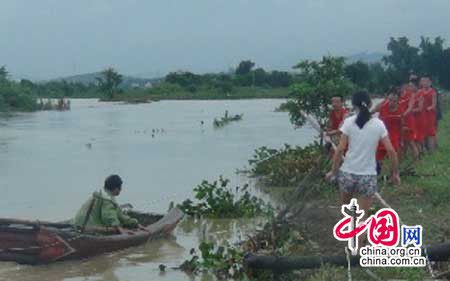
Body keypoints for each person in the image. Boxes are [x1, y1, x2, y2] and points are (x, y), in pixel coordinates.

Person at [326, 91, 400, 223]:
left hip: (347, 173)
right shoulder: (378, 124)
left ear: (353, 106)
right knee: (362, 219)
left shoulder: (348, 122)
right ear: (370, 104)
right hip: (367, 176)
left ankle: (349, 239)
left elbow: (340, 149)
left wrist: (333, 171)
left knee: (347, 214)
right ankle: (358, 243)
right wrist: (394, 173)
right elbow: (391, 151)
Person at [73, 175, 140, 233]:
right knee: (113, 228)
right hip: (87, 227)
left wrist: (134, 222)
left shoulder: (101, 193)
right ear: (116, 188)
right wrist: (119, 228)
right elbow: (108, 216)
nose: (121, 189)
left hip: (77, 223)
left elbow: (119, 214)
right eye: (120, 187)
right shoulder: (108, 199)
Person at [375, 87, 406, 170]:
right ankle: (378, 173)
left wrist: (402, 140)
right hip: (382, 136)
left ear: (398, 101)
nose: (391, 103)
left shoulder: (400, 110)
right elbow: (376, 121)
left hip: (394, 137)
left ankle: (394, 174)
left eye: (394, 101)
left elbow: (401, 127)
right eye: (390, 100)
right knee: (378, 158)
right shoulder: (382, 107)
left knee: (393, 156)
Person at [420, 77, 438, 151]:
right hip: (422, 114)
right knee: (423, 131)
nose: (425, 83)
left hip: (430, 114)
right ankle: (425, 149)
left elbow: (434, 104)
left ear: (430, 83)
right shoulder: (420, 91)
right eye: (424, 81)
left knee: (430, 132)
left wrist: (429, 108)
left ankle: (432, 150)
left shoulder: (433, 92)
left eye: (427, 81)